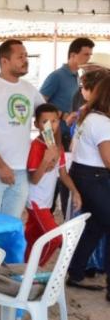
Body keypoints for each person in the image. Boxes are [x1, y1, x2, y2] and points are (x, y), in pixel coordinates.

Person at [0, 39, 45, 219]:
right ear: (4, 61)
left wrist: (52, 147)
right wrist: (0, 165)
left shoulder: (29, 89)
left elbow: (46, 119)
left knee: (12, 226)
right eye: (20, 56)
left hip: (20, 170)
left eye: (26, 56)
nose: (25, 60)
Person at [67, 75, 110, 299]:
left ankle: (75, 272)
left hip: (82, 174)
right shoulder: (102, 122)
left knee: (95, 226)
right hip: (94, 177)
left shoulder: (89, 116)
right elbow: (108, 159)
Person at [25, 104, 82, 266]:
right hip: (36, 202)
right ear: (36, 124)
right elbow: (34, 179)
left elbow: (63, 174)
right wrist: (45, 160)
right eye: (45, 122)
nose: (50, 125)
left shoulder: (58, 148)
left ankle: (24, 268)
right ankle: (34, 270)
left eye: (54, 121)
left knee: (32, 237)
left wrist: (75, 192)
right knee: (55, 238)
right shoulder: (36, 147)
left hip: (46, 201)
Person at [40, 37, 94, 151]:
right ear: (73, 55)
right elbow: (40, 103)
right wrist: (63, 115)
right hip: (55, 137)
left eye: (90, 55)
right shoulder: (56, 76)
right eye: (86, 54)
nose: (89, 58)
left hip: (72, 135)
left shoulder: (80, 77)